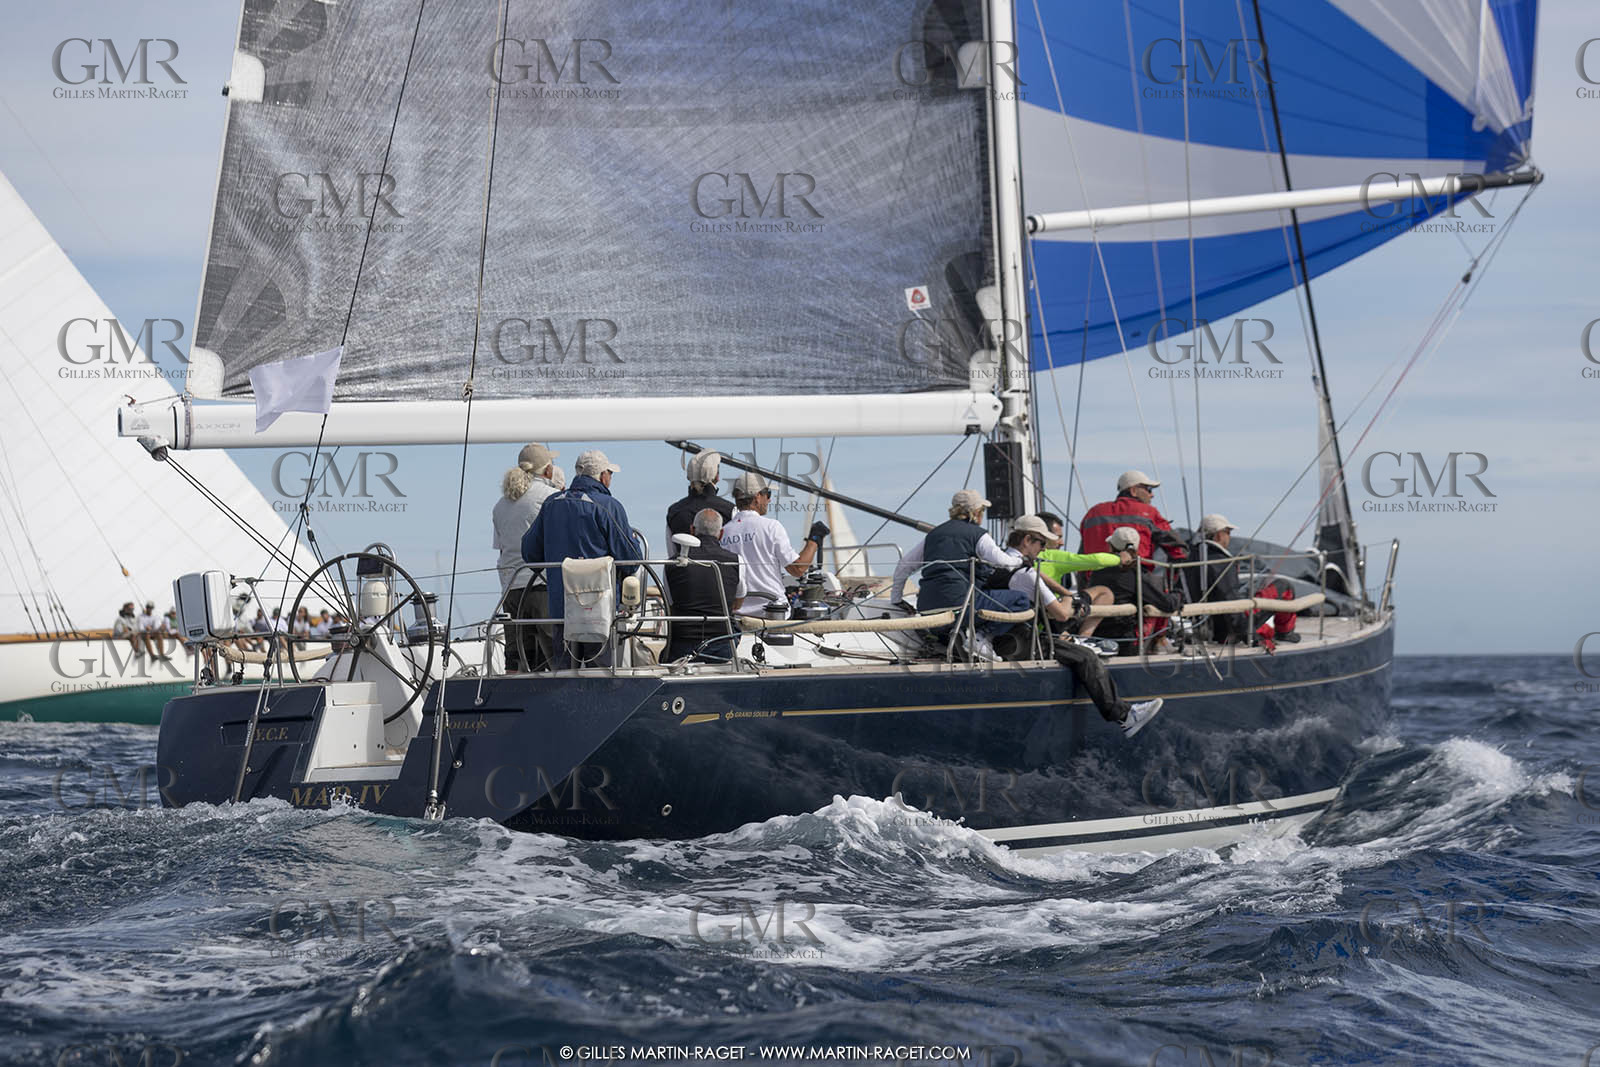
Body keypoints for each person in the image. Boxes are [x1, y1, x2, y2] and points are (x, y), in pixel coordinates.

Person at [997, 518, 1165, 735]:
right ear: (1028, 540)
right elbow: (1062, 612)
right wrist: (1071, 599)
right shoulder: (1028, 571)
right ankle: (1124, 716)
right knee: (1086, 656)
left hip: (998, 638)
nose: (1043, 549)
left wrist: (1065, 594)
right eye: (1041, 543)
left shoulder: (997, 562)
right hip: (1023, 641)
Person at [522, 449, 642, 668]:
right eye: (610, 474)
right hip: (600, 613)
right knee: (601, 679)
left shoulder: (551, 504)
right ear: (603, 476)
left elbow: (530, 554)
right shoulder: (608, 506)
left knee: (564, 678)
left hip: (561, 611)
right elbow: (632, 559)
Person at [885, 490, 1027, 662]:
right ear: (975, 512)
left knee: (959, 614)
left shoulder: (933, 535)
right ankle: (981, 639)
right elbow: (1003, 562)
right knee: (1021, 600)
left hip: (928, 610)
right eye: (982, 511)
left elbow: (903, 567)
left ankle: (958, 640)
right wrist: (1020, 560)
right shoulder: (978, 535)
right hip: (961, 606)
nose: (982, 515)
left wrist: (897, 599)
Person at [493, 442, 560, 671]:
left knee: (517, 658)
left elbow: (501, 549)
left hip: (511, 590)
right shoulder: (551, 497)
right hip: (540, 586)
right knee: (555, 657)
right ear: (548, 470)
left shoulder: (500, 506)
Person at [722, 472, 827, 617]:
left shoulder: (723, 532)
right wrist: (815, 539)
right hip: (774, 614)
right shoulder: (771, 527)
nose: (769, 500)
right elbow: (798, 569)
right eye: (768, 494)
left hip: (737, 618)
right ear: (757, 497)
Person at [663, 508, 746, 663]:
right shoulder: (736, 560)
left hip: (682, 645)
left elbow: (670, 603)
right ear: (721, 534)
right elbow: (738, 603)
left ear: (692, 530)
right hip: (722, 643)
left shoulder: (672, 563)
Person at [1030, 511, 1120, 638]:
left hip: (1034, 622)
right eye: (1058, 537)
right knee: (1105, 592)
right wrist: (1120, 558)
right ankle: (1084, 638)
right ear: (1045, 535)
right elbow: (1096, 561)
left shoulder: (1014, 558)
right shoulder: (1052, 556)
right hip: (1051, 620)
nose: (1061, 542)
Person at [1079, 470, 1188, 572]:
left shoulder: (1092, 513)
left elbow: (1082, 555)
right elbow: (1177, 549)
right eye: (1148, 489)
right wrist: (1173, 581)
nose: (1152, 495)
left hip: (1096, 581)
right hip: (1136, 579)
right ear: (1134, 491)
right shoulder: (1148, 512)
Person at [1096, 526, 1179, 655]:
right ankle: (1158, 641)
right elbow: (1167, 604)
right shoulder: (1137, 575)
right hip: (1125, 641)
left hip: (1099, 636)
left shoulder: (1099, 572)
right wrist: (1178, 594)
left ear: (1111, 547)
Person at [665, 450, 735, 549]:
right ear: (717, 477)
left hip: (684, 563)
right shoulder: (730, 510)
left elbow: (672, 550)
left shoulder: (674, 511)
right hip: (721, 563)